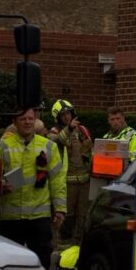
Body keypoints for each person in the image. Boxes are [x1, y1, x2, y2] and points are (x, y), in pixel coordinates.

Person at [0, 107, 67, 270]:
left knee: (41, 262)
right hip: (11, 217)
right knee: (9, 265)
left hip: (39, 216)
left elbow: (57, 180)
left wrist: (60, 209)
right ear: (15, 123)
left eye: (30, 119)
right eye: (23, 119)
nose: (28, 122)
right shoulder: (3, 146)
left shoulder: (49, 146)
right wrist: (1, 186)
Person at [48, 99, 92, 246]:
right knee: (67, 217)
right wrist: (68, 129)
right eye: (63, 115)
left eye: (68, 113)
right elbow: (56, 142)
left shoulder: (82, 130)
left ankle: (79, 246)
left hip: (84, 181)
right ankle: (62, 248)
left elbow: (90, 151)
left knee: (83, 216)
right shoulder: (54, 132)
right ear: (58, 118)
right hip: (66, 182)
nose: (67, 117)